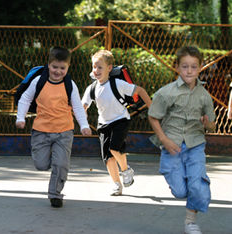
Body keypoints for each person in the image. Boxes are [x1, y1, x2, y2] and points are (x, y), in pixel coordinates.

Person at [148, 46, 216, 234]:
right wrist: (164, 140)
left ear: (200, 67)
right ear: (177, 67)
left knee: (197, 185)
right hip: (172, 146)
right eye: (185, 66)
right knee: (180, 191)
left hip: (196, 145)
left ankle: (190, 222)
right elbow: (153, 116)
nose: (189, 71)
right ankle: (192, 190)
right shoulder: (166, 92)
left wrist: (207, 123)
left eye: (194, 67)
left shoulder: (204, 95)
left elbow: (212, 126)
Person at [16, 46, 92, 208]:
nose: (58, 71)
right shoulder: (39, 82)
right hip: (41, 131)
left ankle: (55, 194)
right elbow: (25, 99)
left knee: (61, 164)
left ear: (68, 67)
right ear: (48, 65)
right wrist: (20, 118)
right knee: (41, 164)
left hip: (64, 131)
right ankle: (54, 162)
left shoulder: (69, 85)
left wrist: (84, 125)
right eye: (54, 67)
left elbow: (77, 107)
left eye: (62, 68)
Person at [81, 50, 152, 196]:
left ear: (109, 68)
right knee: (108, 158)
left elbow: (140, 90)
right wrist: (84, 120)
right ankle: (116, 184)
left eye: (100, 67)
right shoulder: (92, 88)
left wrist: (152, 108)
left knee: (115, 148)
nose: (96, 70)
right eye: (94, 67)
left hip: (121, 119)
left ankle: (126, 170)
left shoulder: (118, 84)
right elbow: (84, 106)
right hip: (103, 124)